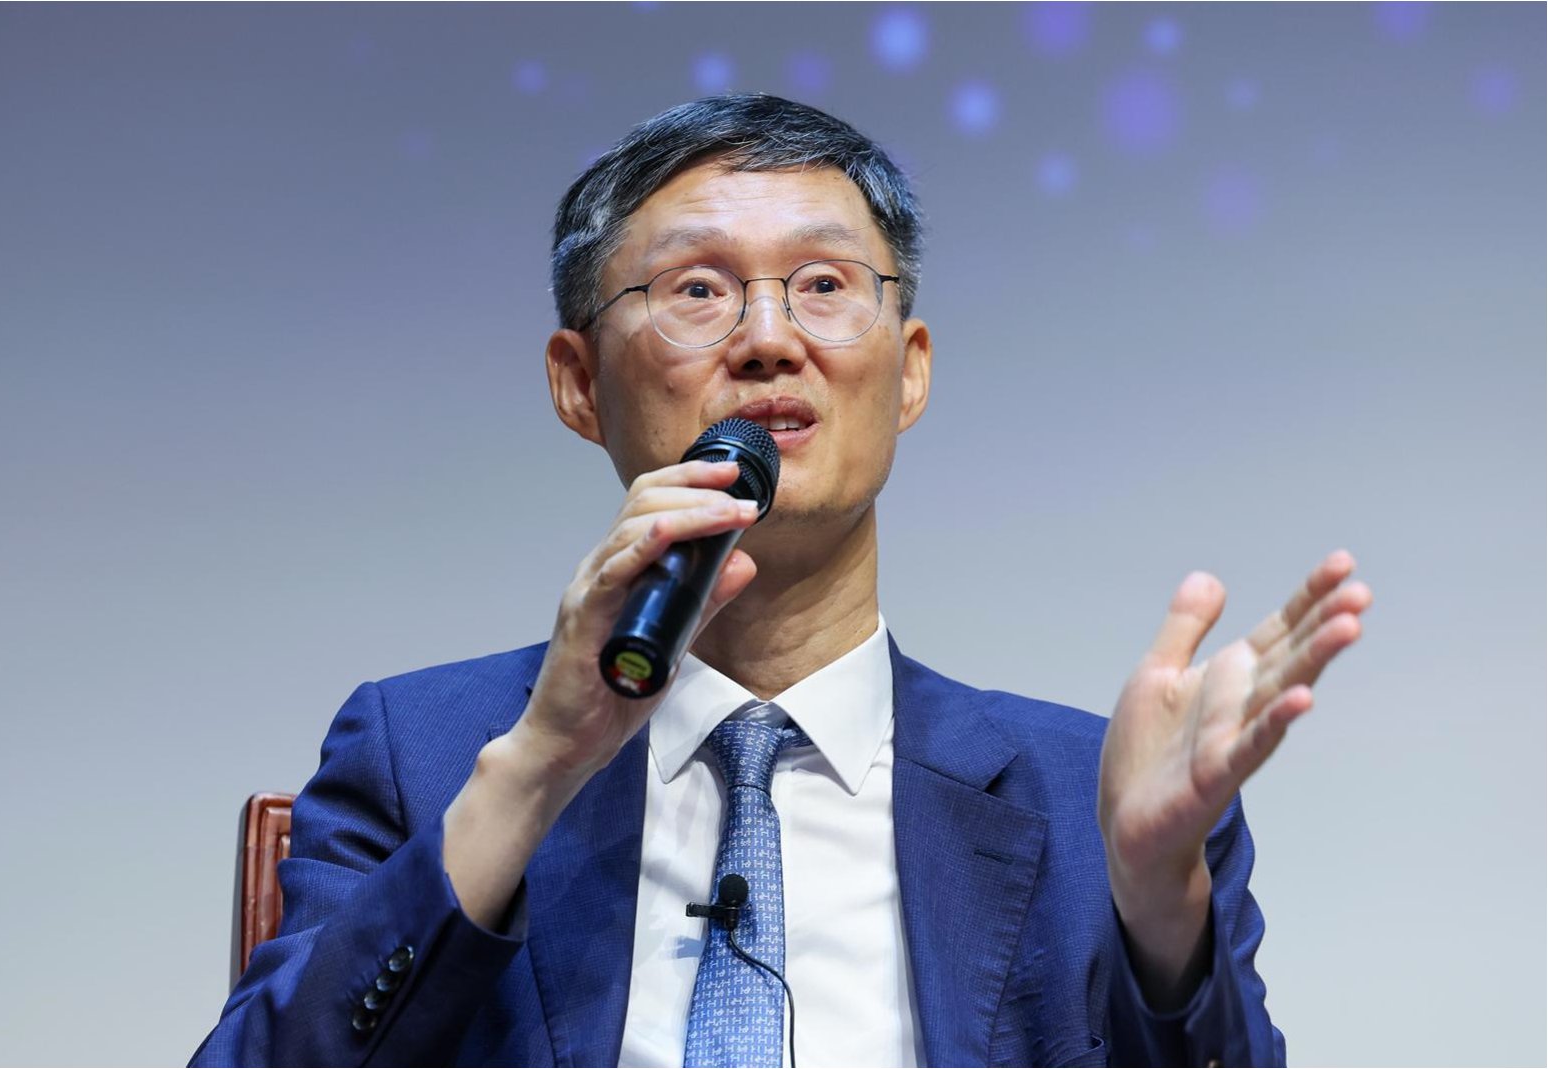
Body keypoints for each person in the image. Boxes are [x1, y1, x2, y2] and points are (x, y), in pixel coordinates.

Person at [191, 94, 1370, 1068]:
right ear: (578, 383)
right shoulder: (427, 754)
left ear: (909, 372)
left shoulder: (1091, 800)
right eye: (697, 290)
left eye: (823, 285)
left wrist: (1156, 901)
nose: (766, 339)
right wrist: (537, 764)